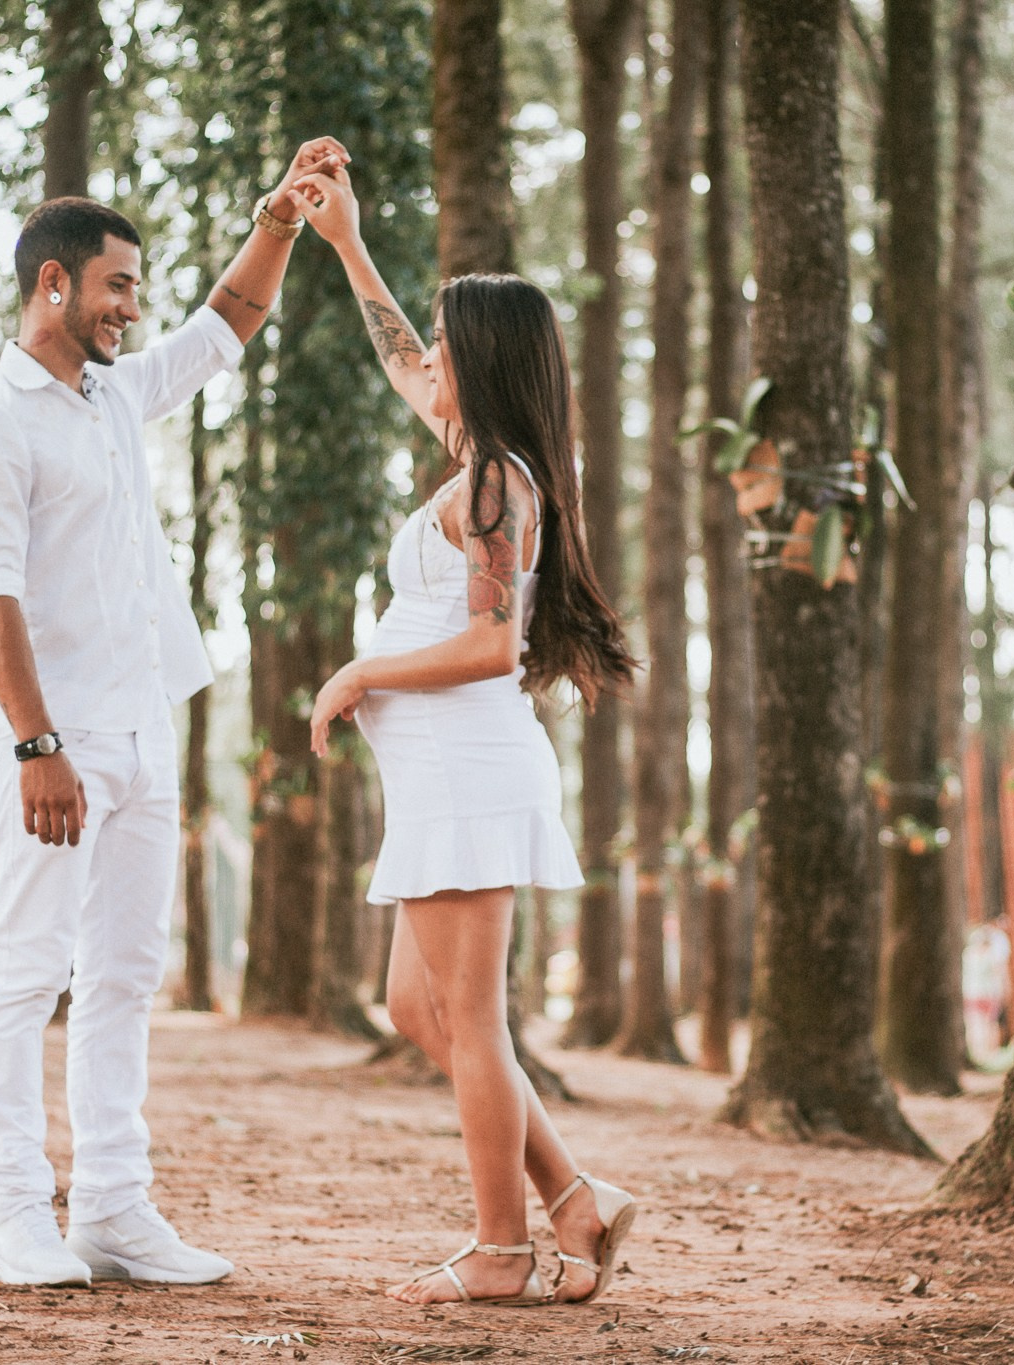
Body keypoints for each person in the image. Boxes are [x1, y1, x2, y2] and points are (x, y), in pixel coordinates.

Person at [0, 136, 347, 1287]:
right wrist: (35, 745)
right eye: (117, 284)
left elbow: (225, 324)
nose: (133, 305)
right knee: (26, 971)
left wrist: (280, 219)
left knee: (123, 973)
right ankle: (14, 1214)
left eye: (136, 287)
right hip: (51, 742)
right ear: (53, 284)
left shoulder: (111, 394)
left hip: (141, 729)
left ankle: (112, 1209)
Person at [288, 163, 641, 1307]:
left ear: (478, 357)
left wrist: (359, 670)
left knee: (472, 1023)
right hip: (439, 773)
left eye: (443, 341)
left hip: (468, 767)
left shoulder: (494, 482)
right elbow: (397, 354)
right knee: (416, 1012)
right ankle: (575, 1199)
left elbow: (493, 645)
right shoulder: (476, 458)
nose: (423, 357)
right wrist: (343, 243)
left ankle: (501, 1250)